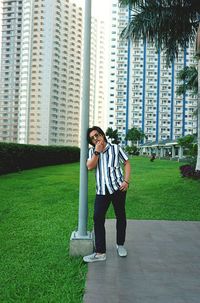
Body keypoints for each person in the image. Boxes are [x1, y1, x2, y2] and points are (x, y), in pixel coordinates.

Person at [83, 126, 131, 263]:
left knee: (120, 216)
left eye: (97, 135)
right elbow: (90, 166)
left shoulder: (116, 148)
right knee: (98, 218)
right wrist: (96, 153)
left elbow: (127, 163)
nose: (96, 139)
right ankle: (100, 252)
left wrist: (126, 181)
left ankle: (120, 245)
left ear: (103, 135)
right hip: (102, 191)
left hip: (117, 189)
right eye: (92, 138)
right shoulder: (92, 152)